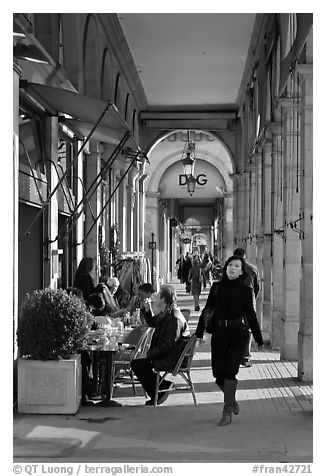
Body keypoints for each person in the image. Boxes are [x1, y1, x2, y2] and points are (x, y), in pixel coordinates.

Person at [195, 255, 264, 426]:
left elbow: (251, 314)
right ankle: (231, 398)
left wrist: (258, 337)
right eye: (230, 265)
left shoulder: (245, 289)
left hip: (238, 335)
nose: (232, 268)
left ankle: (227, 411)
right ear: (226, 268)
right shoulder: (217, 287)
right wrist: (199, 333)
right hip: (219, 333)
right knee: (218, 374)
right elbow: (207, 309)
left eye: (237, 266)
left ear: (241, 271)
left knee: (230, 371)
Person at [131, 284, 191, 406]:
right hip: (170, 355)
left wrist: (148, 355)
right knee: (138, 362)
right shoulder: (167, 313)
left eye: (158, 296)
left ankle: (159, 391)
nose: (155, 298)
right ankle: (160, 388)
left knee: (138, 364)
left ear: (163, 299)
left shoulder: (174, 318)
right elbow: (153, 323)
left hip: (173, 358)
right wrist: (147, 310)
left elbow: (168, 344)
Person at [233, 247, 260, 367]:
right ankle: (245, 357)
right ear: (245, 256)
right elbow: (257, 287)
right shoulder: (253, 269)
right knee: (248, 329)